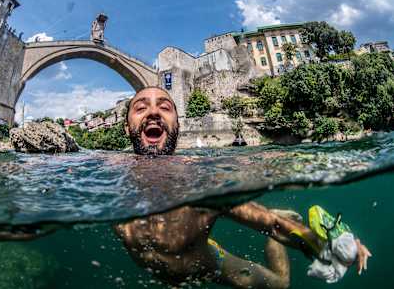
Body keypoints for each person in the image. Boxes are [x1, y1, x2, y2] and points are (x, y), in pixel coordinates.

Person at [114, 86, 371, 288]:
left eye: (165, 106)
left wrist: (330, 245)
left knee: (280, 284)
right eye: (140, 107)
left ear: (177, 126)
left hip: (210, 264)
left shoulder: (199, 180)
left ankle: (278, 224)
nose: (154, 112)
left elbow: (272, 225)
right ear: (127, 126)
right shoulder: (113, 178)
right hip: (175, 276)